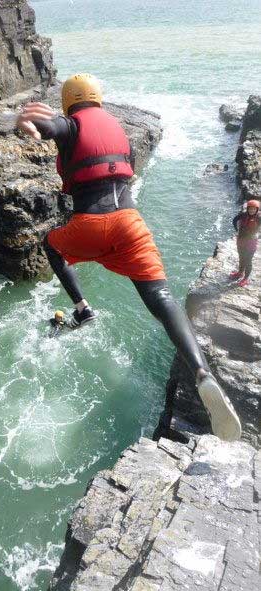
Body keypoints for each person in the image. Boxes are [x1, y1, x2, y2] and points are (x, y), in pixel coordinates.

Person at [15, 73, 242, 442]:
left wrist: (22, 120)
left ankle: (83, 307)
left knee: (52, 246)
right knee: (162, 297)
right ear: (99, 100)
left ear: (69, 101)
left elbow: (47, 125)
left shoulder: (70, 124)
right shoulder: (117, 130)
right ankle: (202, 372)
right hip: (130, 225)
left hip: (89, 225)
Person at [229, 199, 260, 287]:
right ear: (247, 209)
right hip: (241, 240)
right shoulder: (243, 215)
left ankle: (246, 278)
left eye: (254, 209)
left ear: (257, 209)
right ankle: (240, 273)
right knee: (241, 257)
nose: (252, 210)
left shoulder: (258, 218)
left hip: (251, 242)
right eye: (250, 208)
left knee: (248, 260)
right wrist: (236, 229)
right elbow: (234, 220)